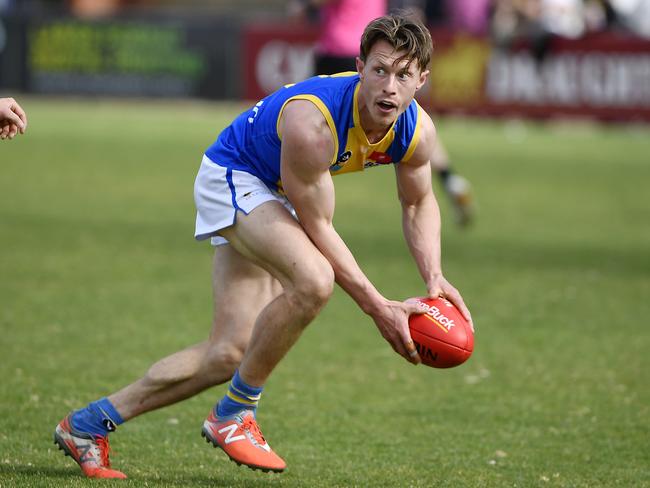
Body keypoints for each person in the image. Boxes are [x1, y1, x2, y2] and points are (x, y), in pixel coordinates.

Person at [53, 13, 473, 479]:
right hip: (234, 174)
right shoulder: (313, 123)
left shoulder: (417, 131)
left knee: (229, 353)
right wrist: (379, 307)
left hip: (272, 192)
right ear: (359, 67)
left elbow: (417, 204)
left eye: (403, 75)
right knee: (314, 279)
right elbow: (318, 226)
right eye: (379, 70)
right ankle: (234, 414)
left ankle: (87, 426)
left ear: (422, 80)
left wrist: (434, 279)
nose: (389, 87)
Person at [291, 0, 475, 226]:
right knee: (412, 123)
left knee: (314, 121)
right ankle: (449, 177)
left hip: (344, 50)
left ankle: (297, 195)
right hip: (379, 50)